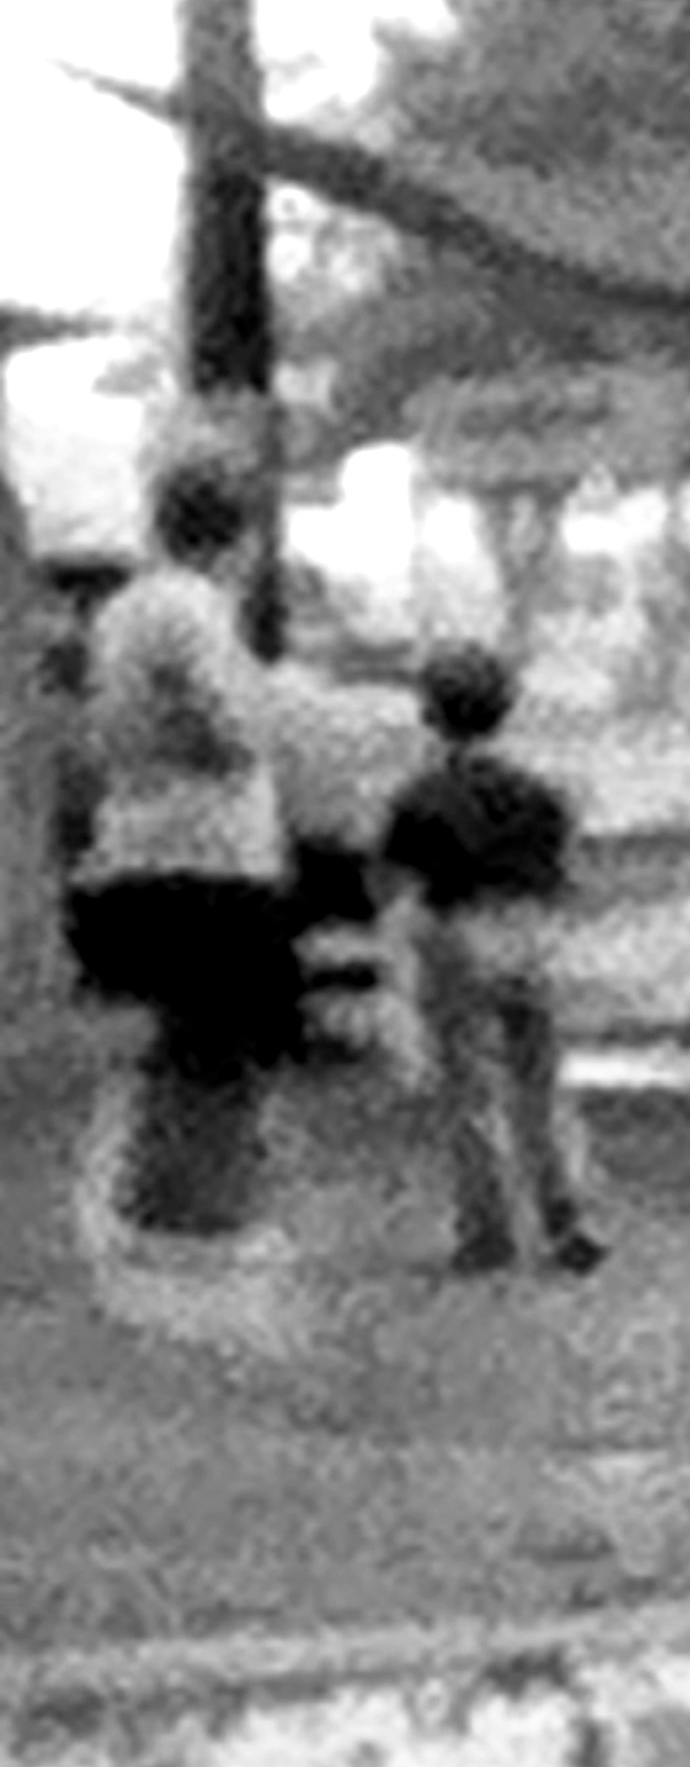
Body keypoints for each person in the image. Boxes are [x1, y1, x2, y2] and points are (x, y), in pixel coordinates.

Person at [61, 449, 312, 1300]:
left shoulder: (121, 611)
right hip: (211, 857)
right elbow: (230, 731)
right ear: (240, 537)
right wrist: (270, 714)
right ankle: (207, 1224)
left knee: (170, 1047)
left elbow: (104, 734)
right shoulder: (195, 609)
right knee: (224, 1053)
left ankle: (143, 1208)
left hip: (131, 847)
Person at [378, 640, 607, 1278]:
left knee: (469, 1086)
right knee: (540, 1082)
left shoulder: (423, 795)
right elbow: (563, 874)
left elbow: (395, 878)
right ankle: (567, 1217)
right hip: (529, 934)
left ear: (430, 714)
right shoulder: (539, 793)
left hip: (458, 931)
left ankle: (488, 1230)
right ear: (506, 709)